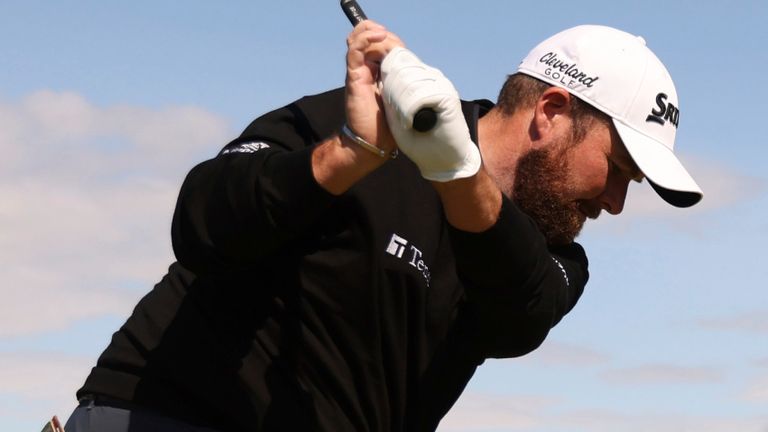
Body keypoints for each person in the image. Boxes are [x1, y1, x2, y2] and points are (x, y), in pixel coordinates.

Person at [64, 21, 702, 432]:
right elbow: (201, 222)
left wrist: (454, 170)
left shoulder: (557, 255)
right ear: (551, 111)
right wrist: (347, 156)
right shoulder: (356, 125)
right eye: (617, 168)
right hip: (162, 413)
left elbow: (517, 316)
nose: (616, 202)